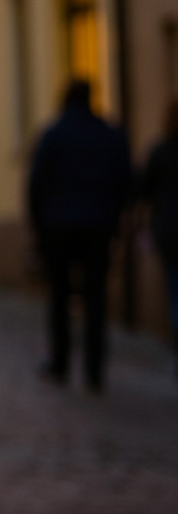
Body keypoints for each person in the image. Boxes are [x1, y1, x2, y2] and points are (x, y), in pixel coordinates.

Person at [28, 80, 131, 392]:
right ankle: (94, 369)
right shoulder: (109, 135)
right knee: (95, 297)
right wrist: (114, 219)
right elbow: (124, 181)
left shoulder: (53, 135)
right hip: (98, 226)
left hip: (58, 226)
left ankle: (60, 362)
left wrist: (38, 226)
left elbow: (36, 183)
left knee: (59, 295)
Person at [140, 99, 178, 379]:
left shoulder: (161, 152)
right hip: (169, 230)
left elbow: (143, 188)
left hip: (170, 230)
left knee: (175, 290)